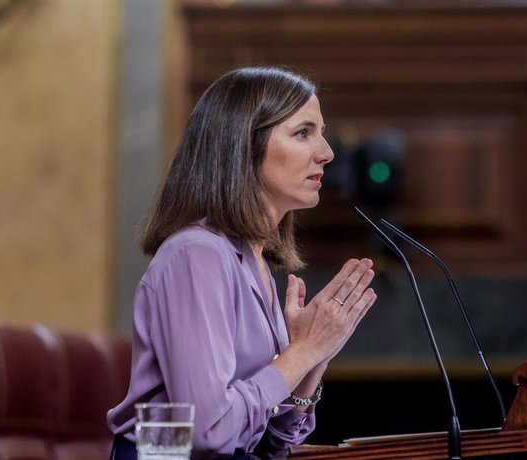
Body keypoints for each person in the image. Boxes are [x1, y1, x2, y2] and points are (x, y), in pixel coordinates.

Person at [107, 66, 378, 459]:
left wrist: (313, 359)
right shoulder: (196, 254)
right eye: (303, 133)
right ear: (243, 145)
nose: (327, 152)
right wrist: (299, 353)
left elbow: (273, 445)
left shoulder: (254, 263)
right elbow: (208, 432)